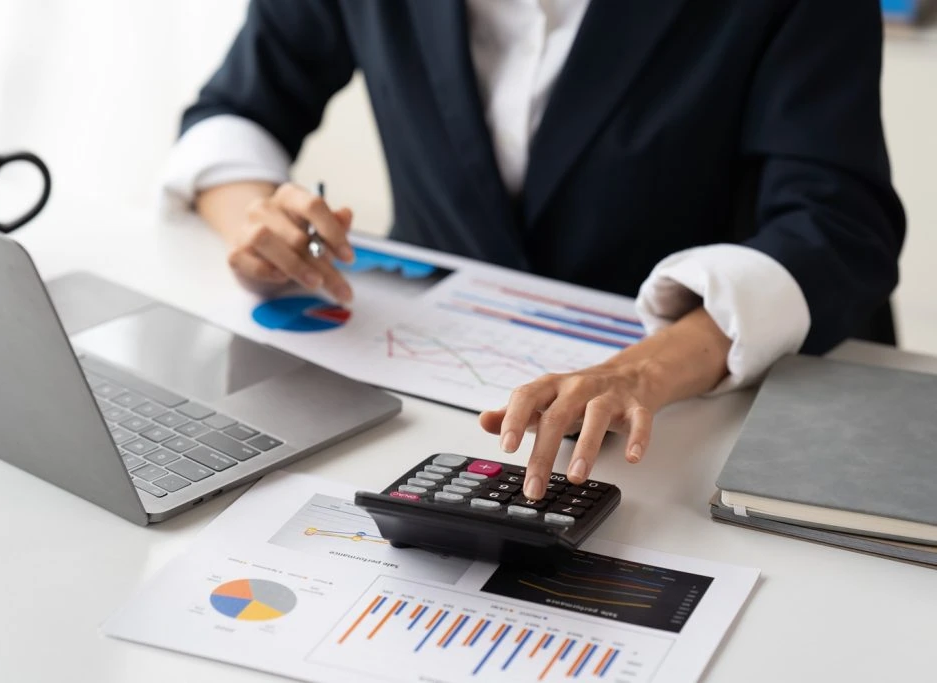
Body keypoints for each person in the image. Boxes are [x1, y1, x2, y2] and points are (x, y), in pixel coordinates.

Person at [164, 0, 904, 502]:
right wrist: (256, 225)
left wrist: (645, 370)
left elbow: (838, 222)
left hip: (698, 423)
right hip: (430, 393)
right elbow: (238, 108)